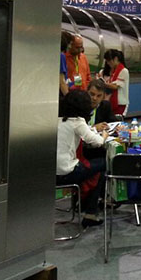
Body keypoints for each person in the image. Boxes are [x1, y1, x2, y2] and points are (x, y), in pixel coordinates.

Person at [56, 90, 108, 227]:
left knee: (92, 170)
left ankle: (85, 204)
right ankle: (91, 211)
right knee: (103, 165)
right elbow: (98, 142)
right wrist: (104, 135)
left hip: (51, 175)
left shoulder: (57, 119)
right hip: (68, 172)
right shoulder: (78, 121)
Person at [101, 49, 129, 116]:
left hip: (119, 104)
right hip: (107, 101)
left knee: (116, 120)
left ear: (116, 58)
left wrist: (103, 84)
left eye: (109, 60)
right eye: (107, 61)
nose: (108, 63)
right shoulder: (105, 71)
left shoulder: (124, 71)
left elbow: (115, 86)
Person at [60, 31, 74, 97]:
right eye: (70, 44)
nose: (70, 46)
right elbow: (62, 82)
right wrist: (68, 98)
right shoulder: (61, 56)